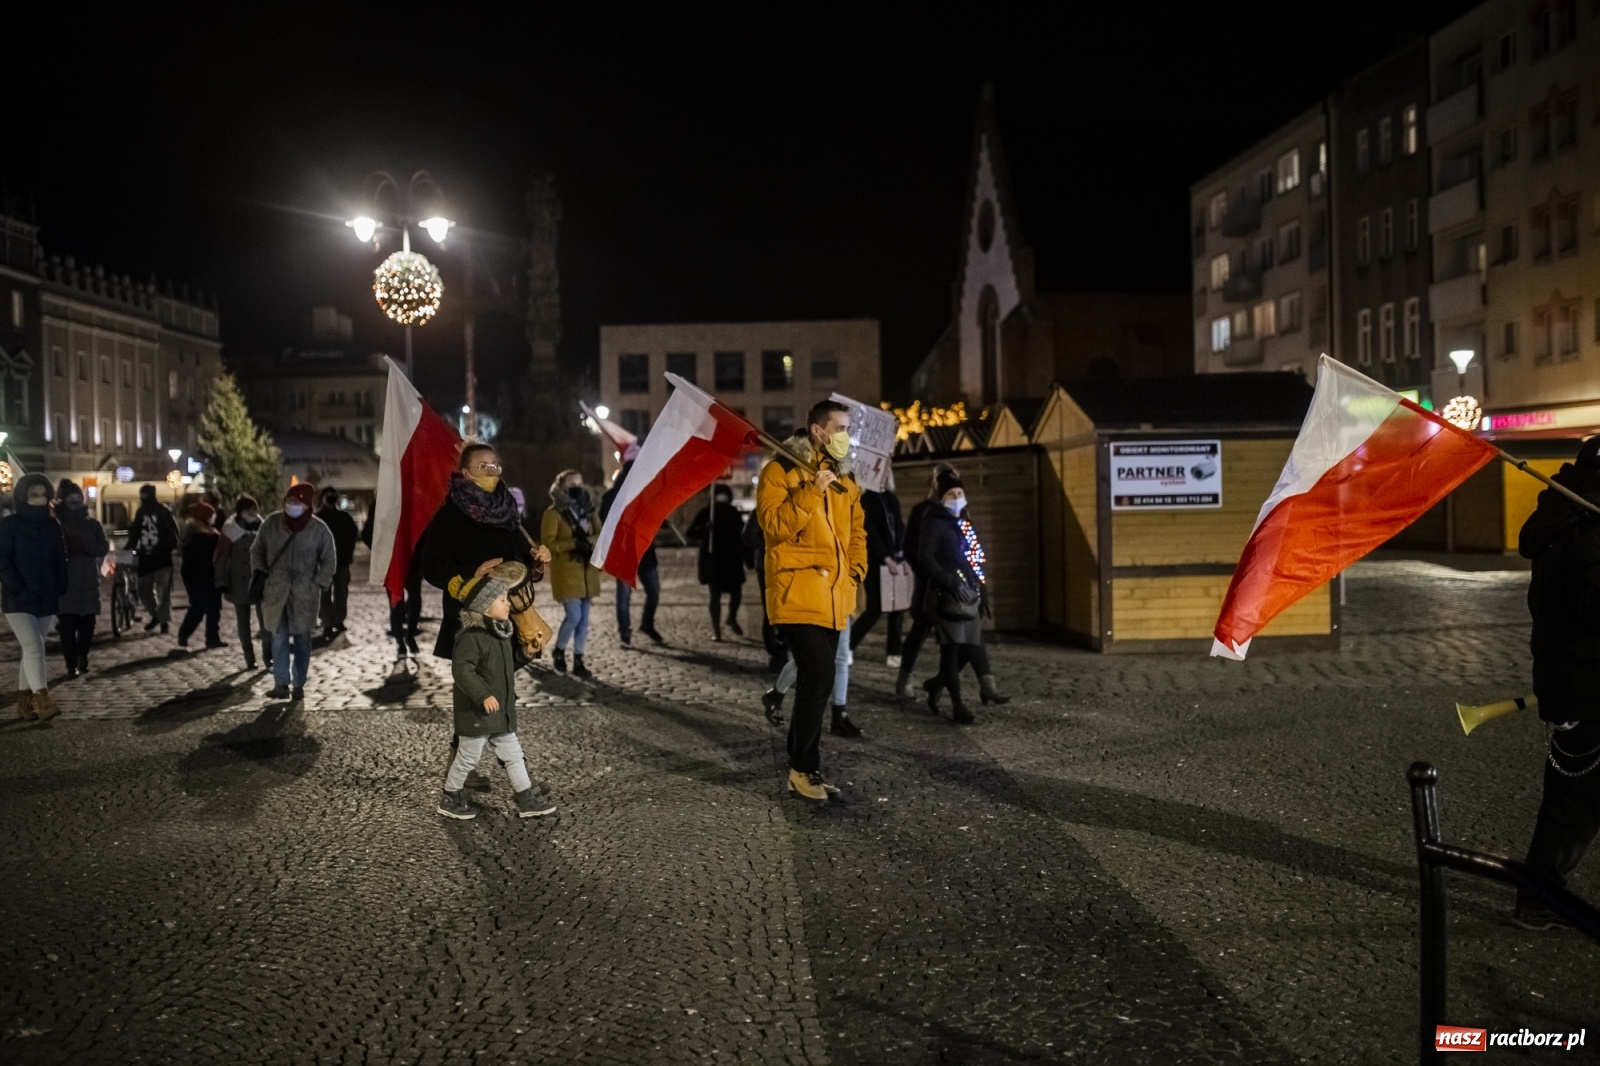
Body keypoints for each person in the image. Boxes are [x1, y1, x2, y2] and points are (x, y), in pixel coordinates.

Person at [756, 400, 867, 803]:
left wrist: (856, 571)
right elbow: (773, 526)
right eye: (839, 428)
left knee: (816, 683)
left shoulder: (844, 477)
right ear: (818, 431)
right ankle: (803, 767)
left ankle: (802, 767)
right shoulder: (781, 470)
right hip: (797, 591)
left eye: (847, 428)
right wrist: (808, 491)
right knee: (818, 676)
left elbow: (857, 531)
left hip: (836, 595)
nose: (845, 436)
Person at [1513, 436, 1600, 930]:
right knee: (1573, 803)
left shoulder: (1567, 518)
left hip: (1575, 680)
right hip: (1588, 685)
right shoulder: (1586, 529)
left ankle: (1541, 893)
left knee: (1576, 801)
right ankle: (1538, 897)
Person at [436, 561, 559, 821]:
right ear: (485, 607)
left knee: (514, 755)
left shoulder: (501, 634)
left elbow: (506, 667)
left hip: (500, 712)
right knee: (467, 758)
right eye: (502, 600)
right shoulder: (471, 637)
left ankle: (527, 798)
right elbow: (462, 671)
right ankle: (451, 795)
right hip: (478, 714)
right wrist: (483, 695)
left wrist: (525, 653)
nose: (508, 604)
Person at [422, 443, 543, 661]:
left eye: (496, 465)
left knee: (505, 684)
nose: (491, 471)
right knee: (477, 686)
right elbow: (432, 567)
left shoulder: (507, 510)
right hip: (470, 617)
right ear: (466, 473)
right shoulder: (448, 516)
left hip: (508, 614)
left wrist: (535, 563)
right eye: (483, 466)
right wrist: (472, 572)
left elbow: (518, 558)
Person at [916, 469, 1009, 723]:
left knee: (972, 647)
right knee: (952, 650)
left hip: (970, 596)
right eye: (951, 493)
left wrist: (984, 595)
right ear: (942, 497)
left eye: (959, 492)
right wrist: (949, 581)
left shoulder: (966, 522)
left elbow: (977, 562)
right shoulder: (934, 521)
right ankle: (958, 704)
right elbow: (925, 558)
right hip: (947, 597)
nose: (956, 497)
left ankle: (937, 684)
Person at [251, 483, 336, 701]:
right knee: (278, 636)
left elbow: (328, 559)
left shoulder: (318, 529)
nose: (292, 505)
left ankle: (299, 683)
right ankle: (281, 683)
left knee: (302, 638)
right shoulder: (271, 523)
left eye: (297, 502)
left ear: (307, 504)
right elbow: (257, 549)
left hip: (304, 593)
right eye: (289, 501)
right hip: (276, 590)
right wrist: (261, 571)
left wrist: (317, 583)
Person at [0, 474, 67, 721]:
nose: (39, 500)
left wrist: (61, 584)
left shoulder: (52, 525)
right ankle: (43, 699)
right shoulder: (10, 525)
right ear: (22, 497)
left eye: (42, 495)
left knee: (31, 650)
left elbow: (61, 558)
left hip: (46, 595)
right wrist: (14, 586)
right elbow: (3, 559)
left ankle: (23, 703)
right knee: (34, 647)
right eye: (33, 495)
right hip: (18, 599)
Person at [894, 464, 956, 700]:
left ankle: (944, 683)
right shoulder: (922, 511)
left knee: (959, 638)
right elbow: (909, 546)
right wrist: (925, 572)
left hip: (952, 585)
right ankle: (904, 679)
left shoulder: (958, 510)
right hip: (928, 583)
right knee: (919, 632)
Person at [542, 469, 603, 678]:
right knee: (574, 616)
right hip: (567, 571)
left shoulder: (589, 509)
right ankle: (559, 650)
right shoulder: (553, 513)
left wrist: (587, 543)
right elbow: (549, 544)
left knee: (584, 619)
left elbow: (600, 534)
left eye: (579, 483)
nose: (576, 488)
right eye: (571, 484)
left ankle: (579, 659)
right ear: (561, 487)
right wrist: (573, 544)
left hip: (587, 570)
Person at [599, 450, 663, 647]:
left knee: (653, 591)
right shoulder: (612, 496)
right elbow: (604, 520)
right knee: (624, 595)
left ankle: (646, 623)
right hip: (625, 551)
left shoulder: (645, 494)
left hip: (644, 550)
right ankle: (624, 632)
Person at [54, 479, 109, 679]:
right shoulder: (56, 523)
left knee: (88, 625)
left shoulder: (92, 524)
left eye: (78, 497)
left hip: (88, 582)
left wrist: (84, 545)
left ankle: (82, 657)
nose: (76, 500)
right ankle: (71, 664)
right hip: (66, 583)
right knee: (68, 627)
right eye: (71, 497)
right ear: (64, 500)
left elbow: (102, 547)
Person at [851, 476, 908, 666]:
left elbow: (899, 527)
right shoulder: (867, 500)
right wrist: (885, 557)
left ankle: (895, 652)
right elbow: (870, 532)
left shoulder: (891, 499)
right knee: (875, 608)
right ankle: (849, 645)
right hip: (875, 562)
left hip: (895, 559)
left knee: (897, 609)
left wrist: (901, 555)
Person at [687, 482, 747, 642]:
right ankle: (716, 630)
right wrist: (705, 528)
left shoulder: (733, 513)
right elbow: (690, 533)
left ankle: (731, 617)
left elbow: (742, 535)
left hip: (731, 560)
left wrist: (747, 559)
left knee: (737, 593)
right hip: (713, 560)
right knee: (715, 596)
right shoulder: (707, 513)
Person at [218, 496, 269, 670]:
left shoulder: (263, 527)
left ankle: (268, 656)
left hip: (260, 579)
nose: (253, 512)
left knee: (266, 623)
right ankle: (249, 657)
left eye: (254, 508)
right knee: (243, 622)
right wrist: (221, 580)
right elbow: (221, 556)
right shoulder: (230, 529)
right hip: (238, 580)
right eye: (249, 509)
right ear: (240, 511)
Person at [128, 483, 179, 635]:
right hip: (146, 558)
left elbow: (173, 533)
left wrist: (167, 547)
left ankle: (163, 621)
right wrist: (130, 546)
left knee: (163, 592)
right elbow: (135, 532)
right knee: (144, 591)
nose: (144, 499)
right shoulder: (140, 512)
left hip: (162, 558)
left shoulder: (163, 511)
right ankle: (156, 616)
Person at [176, 501, 224, 650]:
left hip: (207, 574)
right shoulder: (199, 534)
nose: (213, 518)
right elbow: (203, 557)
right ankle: (184, 634)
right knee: (199, 606)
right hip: (201, 575)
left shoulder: (203, 531)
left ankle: (212, 638)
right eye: (211, 516)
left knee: (214, 607)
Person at [743, 513, 788, 673]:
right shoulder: (762, 509)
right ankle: (774, 651)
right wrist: (769, 542)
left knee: (788, 608)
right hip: (767, 565)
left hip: (789, 565)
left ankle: (783, 645)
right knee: (770, 610)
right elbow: (747, 537)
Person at [316, 487, 359, 643]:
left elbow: (353, 535)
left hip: (341, 562)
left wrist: (348, 553)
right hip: (324, 564)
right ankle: (328, 622)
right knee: (324, 594)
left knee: (341, 593)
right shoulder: (317, 518)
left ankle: (337, 620)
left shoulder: (344, 517)